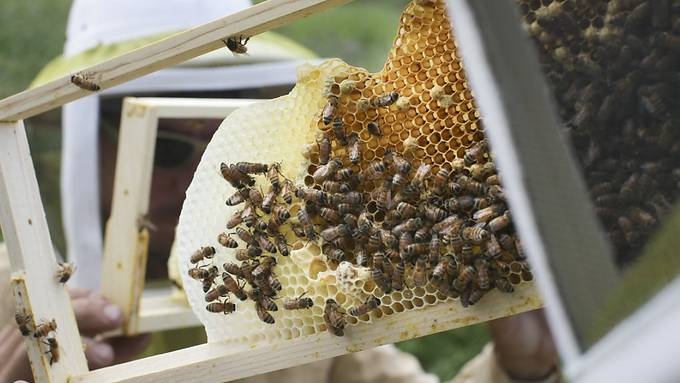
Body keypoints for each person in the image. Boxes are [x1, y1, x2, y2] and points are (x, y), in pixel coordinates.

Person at [0, 0, 560, 381]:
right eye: (166, 146)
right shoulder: (10, 298)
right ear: (81, 149)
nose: (203, 179)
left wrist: (523, 369)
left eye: (220, 145)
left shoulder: (303, 286)